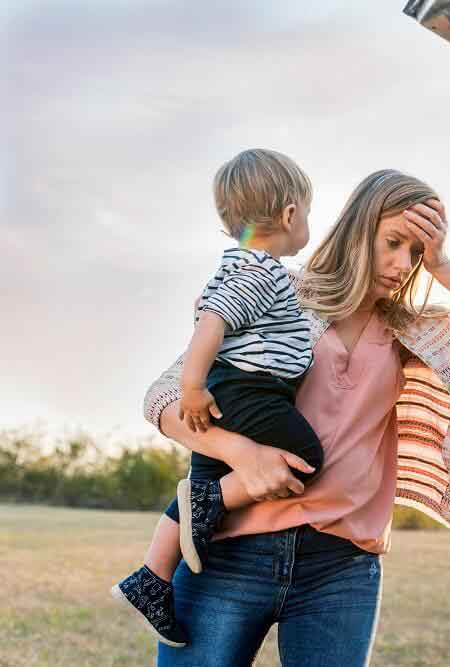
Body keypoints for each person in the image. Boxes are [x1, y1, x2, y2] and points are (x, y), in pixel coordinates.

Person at [136, 168, 450, 666]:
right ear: (360, 228)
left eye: (416, 254)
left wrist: (444, 266)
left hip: (340, 570)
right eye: (393, 242)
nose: (403, 264)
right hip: (227, 552)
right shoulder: (278, 290)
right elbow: (162, 399)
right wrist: (241, 454)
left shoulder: (418, 333)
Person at [111, 148, 323, 647]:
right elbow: (213, 322)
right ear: (291, 215)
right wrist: (192, 387)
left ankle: (152, 577)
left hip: (235, 386)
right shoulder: (262, 272)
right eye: (308, 213)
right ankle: (211, 503)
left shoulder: (236, 263)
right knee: (306, 458)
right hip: (250, 389)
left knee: (200, 477)